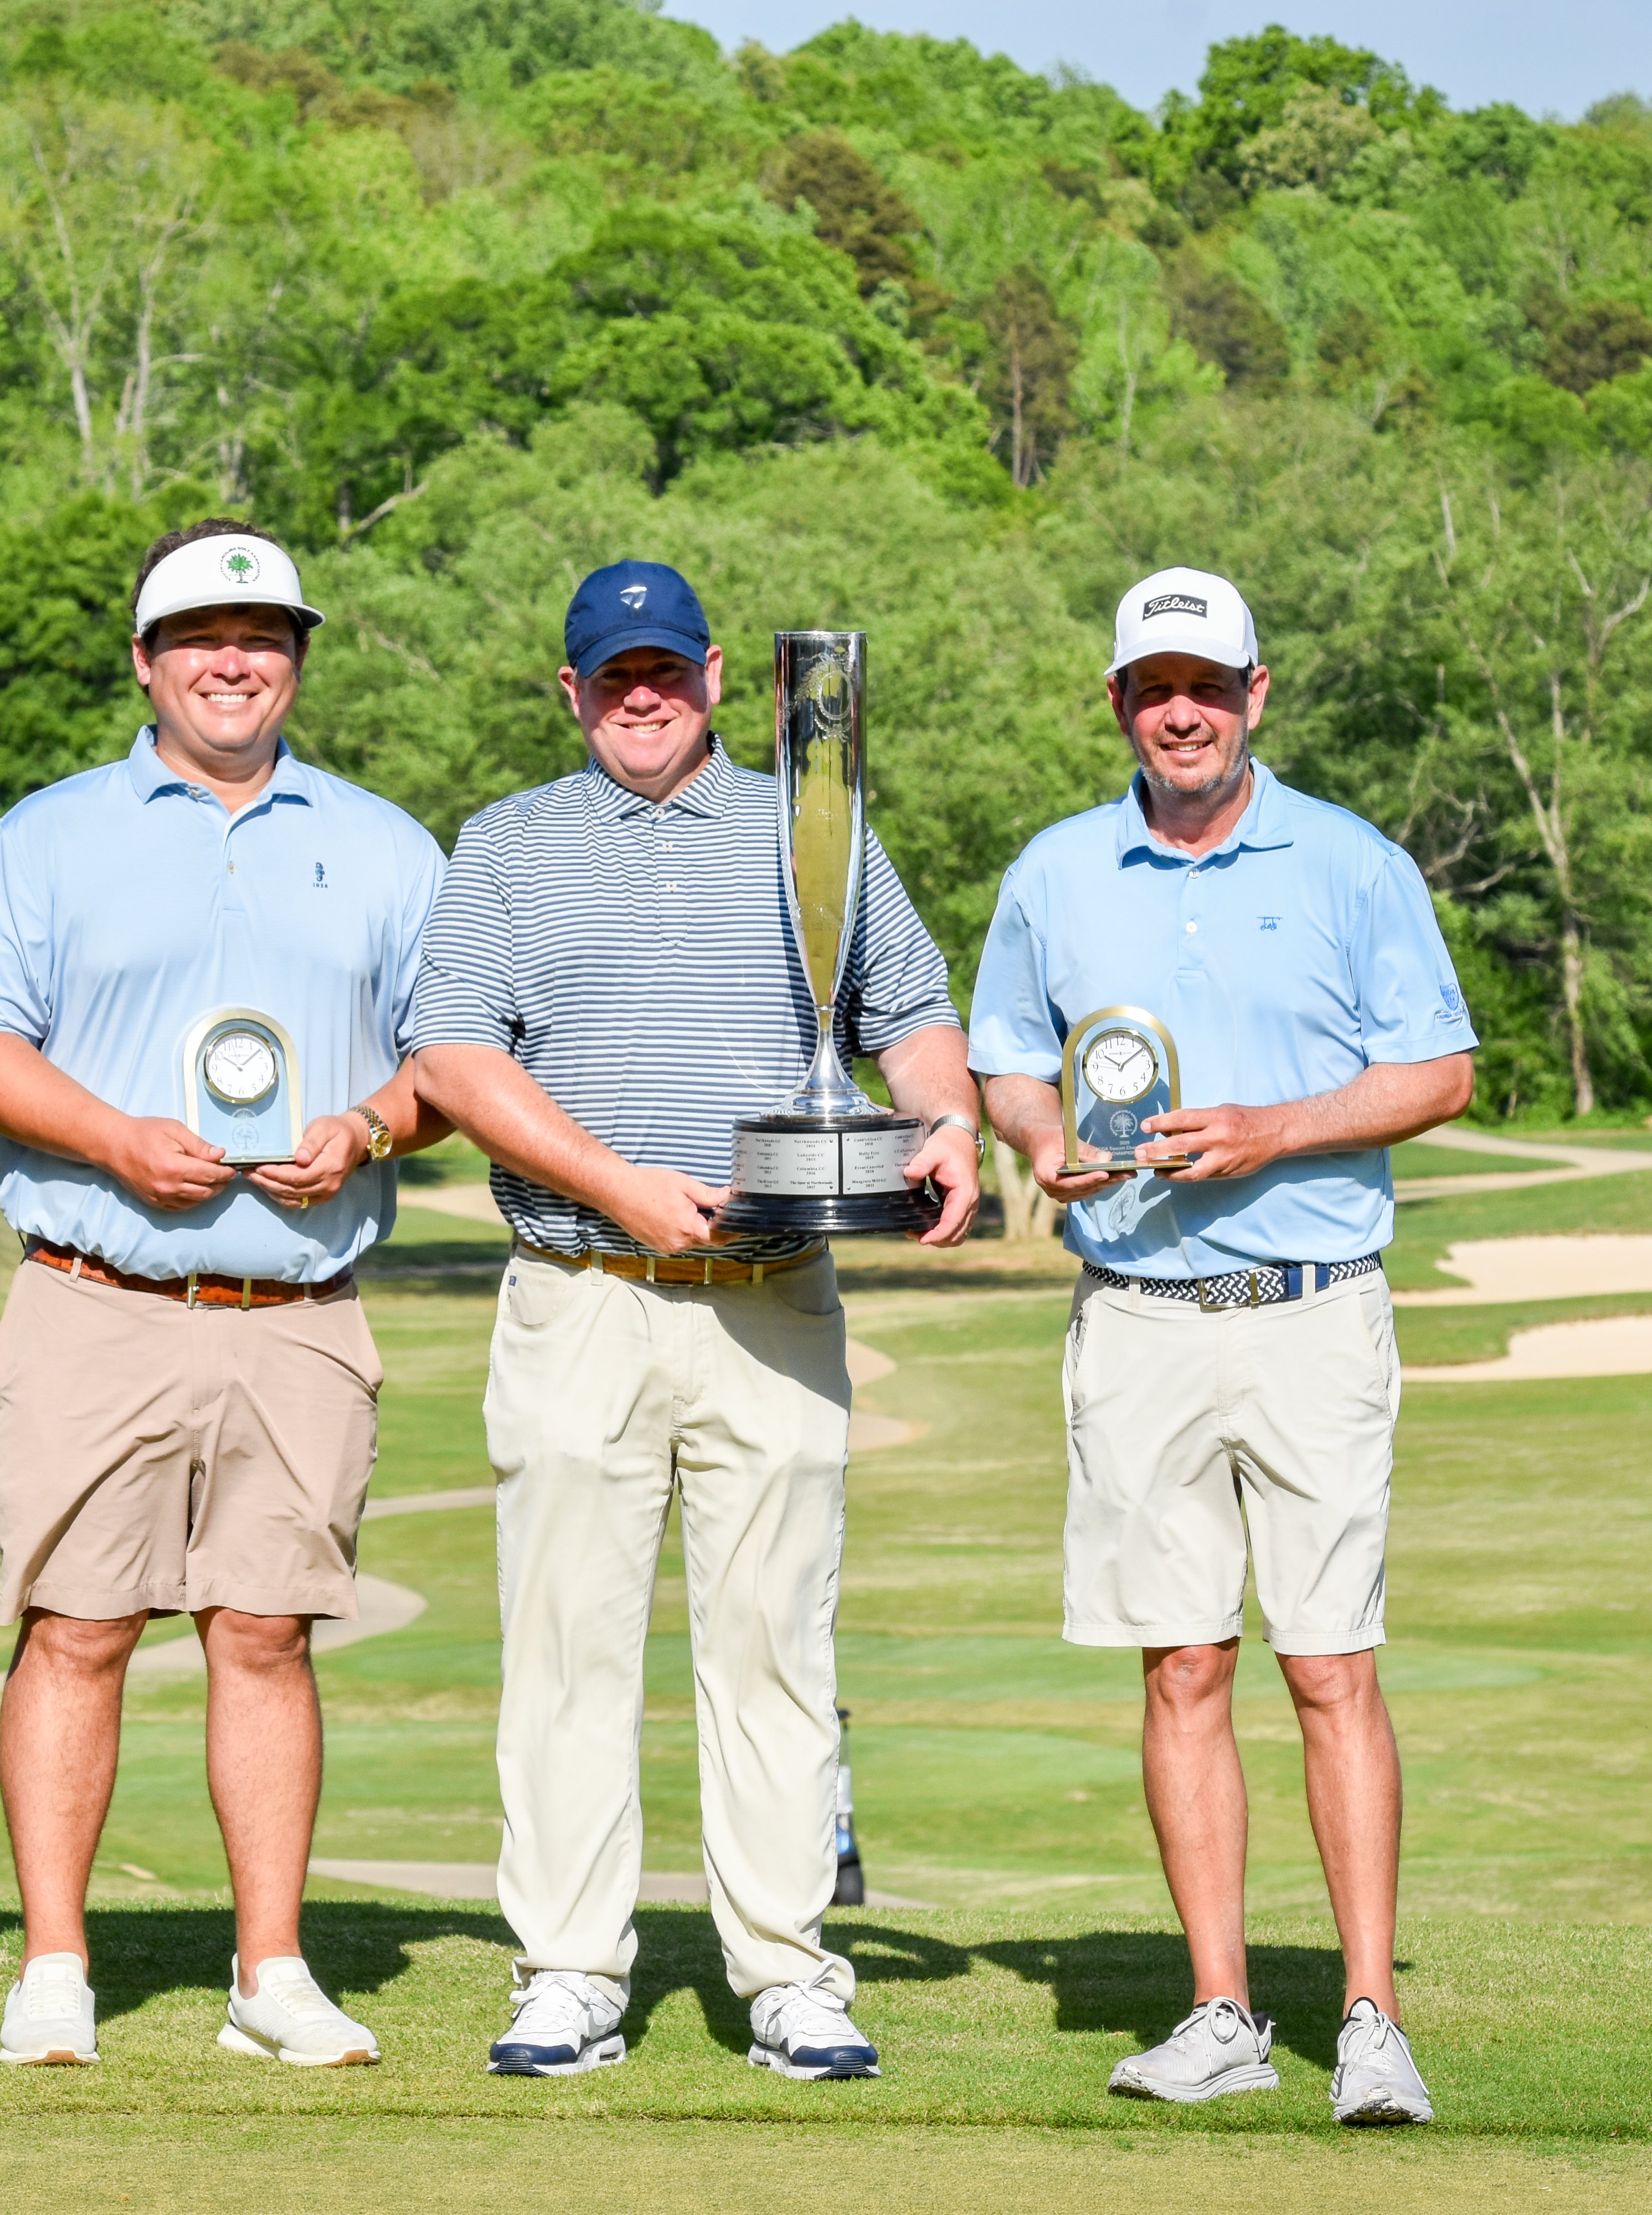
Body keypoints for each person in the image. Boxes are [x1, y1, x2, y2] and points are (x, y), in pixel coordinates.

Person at [406, 562, 982, 2082]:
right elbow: (456, 1060)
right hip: (581, 1290)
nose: (640, 694)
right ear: (571, 689)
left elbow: (911, 1015)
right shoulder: (508, 846)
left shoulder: (818, 823)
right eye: (612, 673)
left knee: (773, 1648)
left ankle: (789, 1974)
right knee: (566, 1652)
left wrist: (949, 1121)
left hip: (776, 1300)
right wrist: (617, 1184)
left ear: (721, 676)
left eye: (665, 668)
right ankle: (569, 1972)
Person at [970, 566, 1475, 2127]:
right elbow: (1004, 1063)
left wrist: (1274, 1132)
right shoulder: (1058, 872)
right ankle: (1221, 2010)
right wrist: (1044, 1140)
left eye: (1207, 682)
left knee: (1330, 1667)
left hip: (1314, 1311)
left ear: (1259, 694)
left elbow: (1440, 1071)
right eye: (1149, 686)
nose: (1178, 709)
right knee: (1182, 1663)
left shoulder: (1350, 862)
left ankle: (1372, 2017)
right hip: (1135, 1319)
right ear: (1118, 705)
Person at [0, 519, 450, 2071]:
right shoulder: (49, 834)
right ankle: (53, 1970)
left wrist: (368, 1124)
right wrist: (113, 1139)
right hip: (99, 1288)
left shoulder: (383, 844)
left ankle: (271, 1974)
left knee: (266, 1634)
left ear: (296, 657)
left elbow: (454, 1062)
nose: (236, 662)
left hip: (296, 1307)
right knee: (77, 1631)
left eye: (266, 637)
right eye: (202, 639)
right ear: (147, 662)